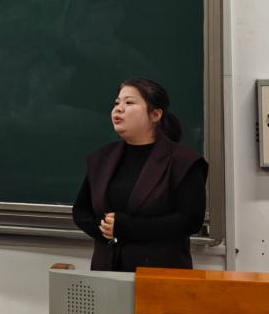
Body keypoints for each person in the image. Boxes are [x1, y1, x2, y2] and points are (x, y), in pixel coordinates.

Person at [72, 78, 208, 271]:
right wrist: (105, 229)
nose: (119, 109)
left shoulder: (183, 161)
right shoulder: (101, 158)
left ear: (155, 115)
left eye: (129, 102)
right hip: (106, 271)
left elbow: (190, 220)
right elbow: (81, 211)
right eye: (117, 103)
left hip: (159, 273)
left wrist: (130, 228)